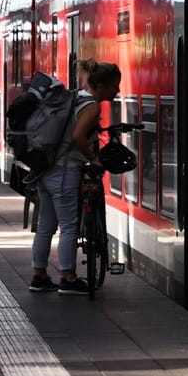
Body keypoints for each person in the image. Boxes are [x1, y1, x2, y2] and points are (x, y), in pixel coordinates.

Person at [29, 61, 121, 295]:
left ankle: (39, 275)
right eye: (114, 86)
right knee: (69, 225)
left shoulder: (74, 96)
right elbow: (79, 136)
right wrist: (94, 159)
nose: (116, 91)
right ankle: (68, 277)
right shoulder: (91, 106)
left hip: (47, 168)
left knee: (45, 225)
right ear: (100, 85)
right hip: (65, 169)